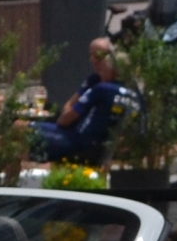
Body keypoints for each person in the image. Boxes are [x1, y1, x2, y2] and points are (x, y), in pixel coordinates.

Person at [33, 37, 136, 165]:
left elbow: (66, 118)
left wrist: (67, 119)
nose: (94, 61)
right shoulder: (96, 80)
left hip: (80, 141)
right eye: (91, 56)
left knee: (21, 131)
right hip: (75, 133)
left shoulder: (102, 89)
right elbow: (71, 104)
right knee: (21, 131)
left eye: (99, 56)